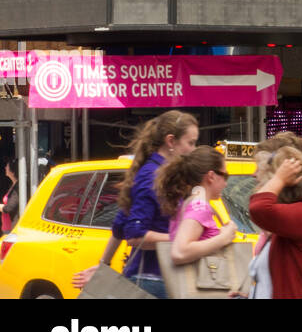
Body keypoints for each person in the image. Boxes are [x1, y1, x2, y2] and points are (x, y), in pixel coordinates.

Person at [74, 110, 199, 298]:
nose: (193, 149)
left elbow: (120, 223)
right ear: (171, 141)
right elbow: (135, 234)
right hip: (153, 280)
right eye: (190, 143)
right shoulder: (152, 176)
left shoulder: (158, 173)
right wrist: (182, 240)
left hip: (154, 278)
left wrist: (103, 265)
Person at [248, 147, 302, 299]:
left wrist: (279, 179)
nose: (256, 177)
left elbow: (257, 208)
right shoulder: (291, 218)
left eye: (269, 178)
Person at [154, 146, 238, 269]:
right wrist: (224, 237)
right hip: (197, 285)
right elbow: (179, 252)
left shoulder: (188, 203)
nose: (226, 183)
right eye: (225, 176)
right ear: (211, 176)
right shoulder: (199, 206)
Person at [1, 160, 18, 233]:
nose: (5, 168)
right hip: (6, 226)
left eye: (7, 166)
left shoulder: (18, 187)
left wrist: (1, 207)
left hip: (11, 227)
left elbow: (10, 207)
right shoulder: (13, 185)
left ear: (13, 171)